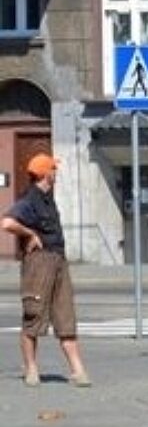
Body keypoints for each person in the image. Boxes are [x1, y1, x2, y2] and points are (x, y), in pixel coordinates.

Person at [1, 154, 90, 387]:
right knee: (34, 315)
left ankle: (78, 371)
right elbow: (7, 223)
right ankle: (31, 369)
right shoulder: (30, 199)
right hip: (38, 263)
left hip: (58, 259)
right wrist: (30, 234)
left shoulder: (48, 198)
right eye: (54, 169)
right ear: (45, 174)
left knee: (65, 315)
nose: (56, 173)